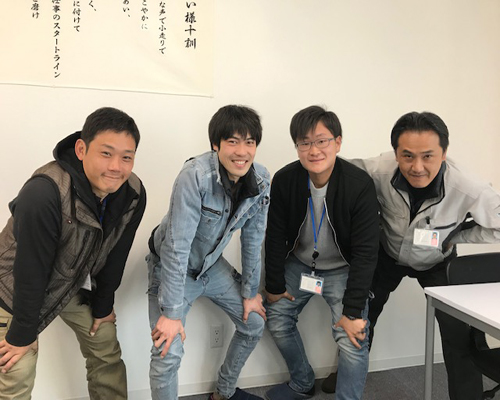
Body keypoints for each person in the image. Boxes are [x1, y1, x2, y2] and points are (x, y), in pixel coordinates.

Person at [324, 111, 500, 400]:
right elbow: (336, 170)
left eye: (428, 156)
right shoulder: (378, 169)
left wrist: (457, 236)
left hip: (437, 261)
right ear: (395, 153)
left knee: (458, 331)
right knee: (359, 316)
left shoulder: (470, 188)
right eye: (407, 156)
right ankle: (347, 374)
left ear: (444, 153)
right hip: (386, 255)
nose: (417, 167)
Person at [0, 107, 146, 399]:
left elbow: (116, 255)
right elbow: (30, 269)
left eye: (126, 157)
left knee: (105, 344)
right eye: (106, 153)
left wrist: (103, 306)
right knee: (15, 368)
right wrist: (23, 334)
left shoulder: (132, 193)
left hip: (72, 282)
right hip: (14, 285)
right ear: (81, 149)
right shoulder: (44, 192)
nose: (116, 167)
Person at [147, 105, 270, 400]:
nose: (242, 152)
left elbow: (253, 238)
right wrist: (172, 313)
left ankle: (223, 393)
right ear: (216, 144)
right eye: (233, 141)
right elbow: (177, 246)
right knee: (167, 350)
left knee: (254, 323)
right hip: (171, 268)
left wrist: (250, 292)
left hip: (211, 266)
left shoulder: (262, 179)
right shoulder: (195, 175)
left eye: (249, 142)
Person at [264, 105, 379, 400]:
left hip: (342, 268)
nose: (313, 150)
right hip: (301, 264)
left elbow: (366, 252)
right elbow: (274, 235)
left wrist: (353, 312)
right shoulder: (285, 180)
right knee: (276, 319)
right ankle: (302, 381)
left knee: (352, 336)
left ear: (338, 142)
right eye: (304, 143)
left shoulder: (359, 185)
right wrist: (274, 285)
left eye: (322, 141)